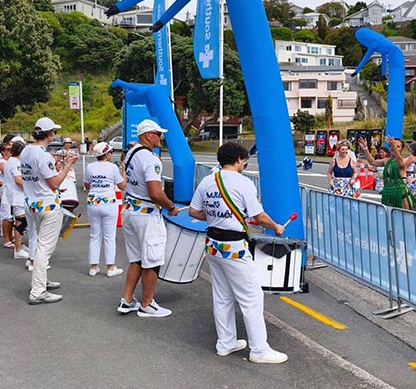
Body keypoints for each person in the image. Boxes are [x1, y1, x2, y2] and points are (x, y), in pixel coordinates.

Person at [188, 142, 288, 364]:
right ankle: (259, 350)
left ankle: (225, 343)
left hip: (213, 245)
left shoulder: (207, 181)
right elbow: (259, 216)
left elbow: (194, 211)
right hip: (234, 248)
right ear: (239, 160)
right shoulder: (244, 183)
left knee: (222, 295)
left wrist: (217, 218)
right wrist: (277, 227)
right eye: (244, 162)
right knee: (251, 298)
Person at [116, 119, 180, 318]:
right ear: (148, 135)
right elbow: (154, 192)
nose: (161, 137)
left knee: (136, 258)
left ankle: (127, 299)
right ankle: (147, 303)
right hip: (146, 215)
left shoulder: (132, 153)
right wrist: (170, 206)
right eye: (158, 134)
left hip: (129, 211)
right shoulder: (150, 159)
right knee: (152, 260)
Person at [21, 118, 78, 305]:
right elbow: (54, 182)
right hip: (48, 205)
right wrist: (68, 164)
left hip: (33, 203)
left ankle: (41, 281)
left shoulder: (26, 151)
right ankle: (38, 291)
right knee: (45, 248)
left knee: (40, 245)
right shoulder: (43, 155)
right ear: (50, 134)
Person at [84, 142, 125, 278]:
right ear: (106, 154)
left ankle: (93, 267)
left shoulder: (90, 167)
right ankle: (110, 267)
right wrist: (123, 170)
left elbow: (86, 185)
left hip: (93, 202)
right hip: (109, 203)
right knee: (109, 236)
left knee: (94, 235)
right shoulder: (112, 167)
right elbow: (122, 185)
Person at [358, 136, 416, 210]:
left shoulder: (403, 161)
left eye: (398, 146)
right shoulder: (386, 161)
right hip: (387, 192)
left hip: (400, 193)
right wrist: (365, 148)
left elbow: (400, 163)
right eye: (392, 146)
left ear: (401, 149)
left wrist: (394, 147)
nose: (394, 148)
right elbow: (372, 161)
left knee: (404, 217)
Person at [1, 140, 29, 260]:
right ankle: (18, 249)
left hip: (15, 196)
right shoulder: (15, 163)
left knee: (22, 222)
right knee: (21, 223)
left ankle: (20, 246)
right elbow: (18, 181)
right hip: (17, 197)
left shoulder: (11, 161)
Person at [0, 142, 15, 248]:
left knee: (12, 215)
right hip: (4, 192)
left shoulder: (11, 161)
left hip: (12, 191)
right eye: (8, 149)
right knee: (6, 215)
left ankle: (11, 237)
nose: (10, 151)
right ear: (3, 151)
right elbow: (7, 171)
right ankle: (6, 239)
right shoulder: (2, 162)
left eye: (11, 149)